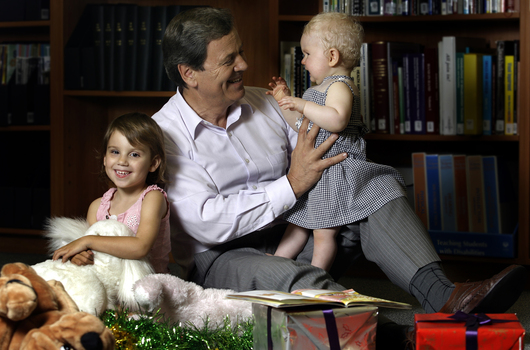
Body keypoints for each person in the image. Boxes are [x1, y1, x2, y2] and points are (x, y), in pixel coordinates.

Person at [153, 7, 526, 349]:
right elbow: (207, 223)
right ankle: (401, 337)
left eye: (241, 52)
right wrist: (291, 184)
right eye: (229, 59)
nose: (245, 65)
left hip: (293, 228)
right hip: (223, 256)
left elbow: (322, 151)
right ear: (189, 73)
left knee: (373, 186)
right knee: (293, 280)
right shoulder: (164, 134)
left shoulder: (265, 103)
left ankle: (446, 297)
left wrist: (344, 175)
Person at [266, 13, 399, 272]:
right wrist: (284, 100)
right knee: (298, 222)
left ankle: (317, 276)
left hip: (333, 173)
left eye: (306, 54)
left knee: (323, 233)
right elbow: (301, 125)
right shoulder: (320, 89)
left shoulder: (339, 86)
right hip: (315, 171)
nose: (302, 61)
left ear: (331, 57)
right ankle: (277, 263)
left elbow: (337, 120)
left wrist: (302, 104)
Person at [53, 112, 171, 274]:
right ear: (104, 158)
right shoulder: (97, 207)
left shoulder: (152, 198)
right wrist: (80, 255)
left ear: (153, 163)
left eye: (134, 154)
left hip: (145, 288)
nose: (122, 161)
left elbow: (141, 247)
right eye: (115, 152)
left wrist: (87, 241)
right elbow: (94, 256)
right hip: (108, 283)